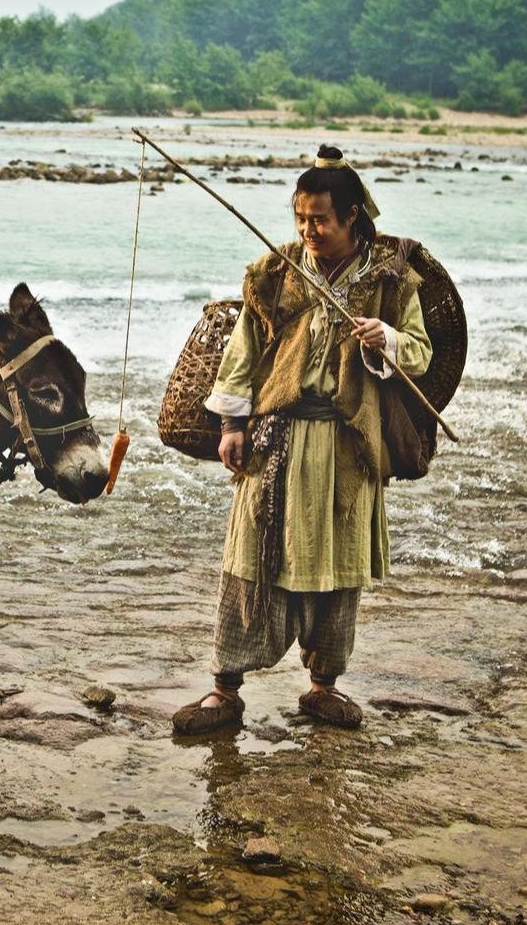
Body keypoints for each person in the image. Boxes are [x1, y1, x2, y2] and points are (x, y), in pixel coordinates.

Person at [172, 144, 432, 735]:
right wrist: (232, 426)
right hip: (276, 439)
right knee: (250, 561)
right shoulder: (275, 273)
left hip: (347, 446)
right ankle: (224, 689)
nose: (308, 230)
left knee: (337, 567)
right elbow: (244, 353)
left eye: (320, 219)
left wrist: (385, 338)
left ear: (352, 219)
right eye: (300, 219)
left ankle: (322, 688)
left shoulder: (393, 281)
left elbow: (420, 354)